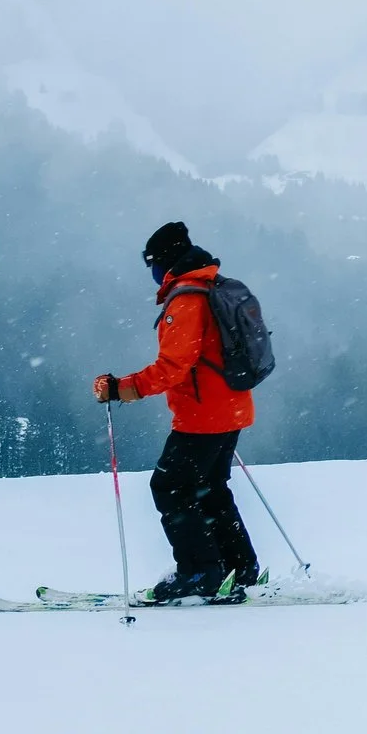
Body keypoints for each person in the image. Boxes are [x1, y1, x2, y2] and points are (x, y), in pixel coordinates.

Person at [93, 221, 261, 603]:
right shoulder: (213, 285)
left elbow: (173, 366)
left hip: (203, 416)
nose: (152, 273)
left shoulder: (187, 299)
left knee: (169, 487)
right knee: (210, 488)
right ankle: (239, 567)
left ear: (165, 262)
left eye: (152, 264)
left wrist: (121, 388)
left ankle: (199, 573)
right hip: (232, 407)